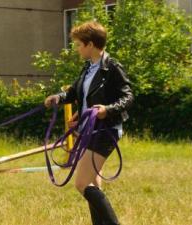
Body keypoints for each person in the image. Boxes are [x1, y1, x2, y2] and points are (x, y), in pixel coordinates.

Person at [44, 21, 134, 225]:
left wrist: (107, 110)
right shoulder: (88, 67)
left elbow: (128, 97)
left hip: (106, 130)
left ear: (90, 44)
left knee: (82, 183)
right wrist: (58, 97)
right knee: (94, 182)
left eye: (78, 45)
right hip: (89, 130)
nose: (77, 49)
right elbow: (75, 92)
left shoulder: (112, 67)